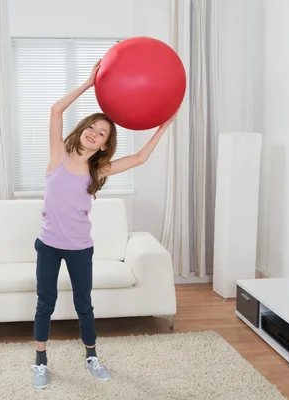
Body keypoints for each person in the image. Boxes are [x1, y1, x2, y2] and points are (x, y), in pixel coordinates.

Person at [32, 59, 178, 390]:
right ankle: (40, 361)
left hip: (81, 249)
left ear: (103, 145)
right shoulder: (57, 155)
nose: (95, 134)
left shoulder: (99, 170)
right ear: (82, 128)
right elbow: (56, 110)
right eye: (93, 127)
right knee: (45, 303)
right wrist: (87, 83)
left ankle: (91, 356)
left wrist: (163, 125)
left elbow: (140, 158)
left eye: (102, 134)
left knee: (84, 304)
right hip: (49, 245)